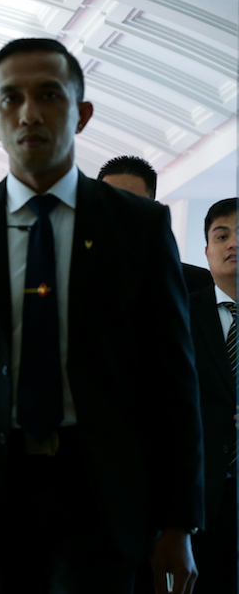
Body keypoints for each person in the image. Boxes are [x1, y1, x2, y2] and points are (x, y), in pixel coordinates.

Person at [0, 38, 203, 594]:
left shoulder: (137, 227)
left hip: (103, 498)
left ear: (81, 113)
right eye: (11, 98)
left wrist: (180, 520)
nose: (29, 113)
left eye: (49, 95)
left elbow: (173, 380)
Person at [188, 198, 236, 593]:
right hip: (199, 501)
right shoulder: (179, 317)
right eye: (222, 235)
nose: (233, 243)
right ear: (207, 251)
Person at [97, 155, 213, 293]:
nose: (121, 212)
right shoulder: (73, 272)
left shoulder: (195, 282)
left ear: (153, 210)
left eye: (133, 203)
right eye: (112, 202)